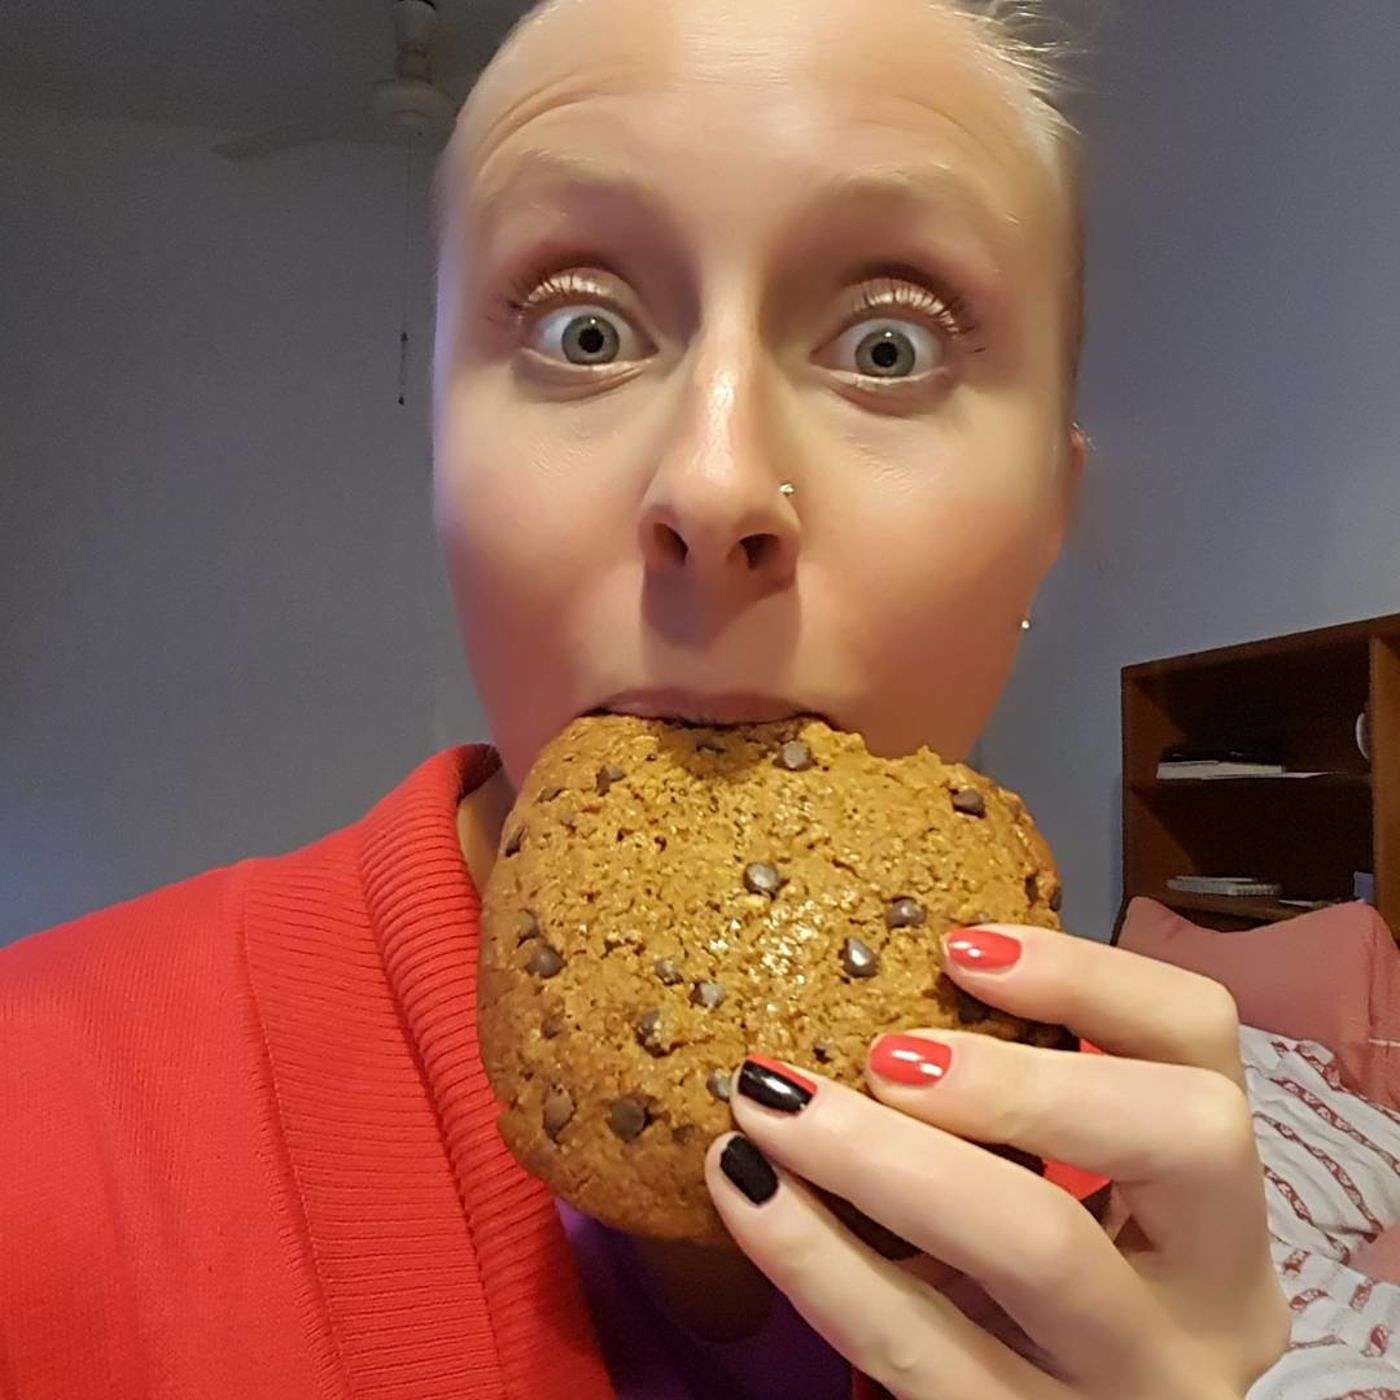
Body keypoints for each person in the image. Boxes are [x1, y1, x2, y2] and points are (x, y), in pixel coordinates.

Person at [1, 0, 1292, 1396]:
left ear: (1051, 510)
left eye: (889, 347)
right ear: (439, 457)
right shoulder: (43, 1116)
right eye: (584, 330)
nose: (715, 485)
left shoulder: (1124, 1211)